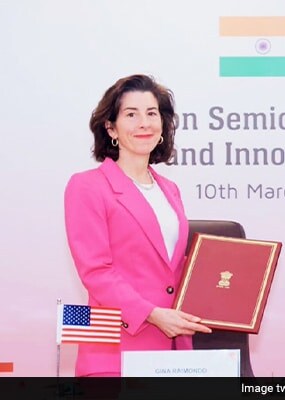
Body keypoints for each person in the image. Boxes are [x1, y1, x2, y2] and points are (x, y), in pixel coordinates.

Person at [64, 74, 212, 377]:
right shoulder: (87, 186)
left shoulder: (170, 190)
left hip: (174, 351)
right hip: (117, 352)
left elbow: (173, 268)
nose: (144, 123)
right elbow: (96, 272)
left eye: (151, 113)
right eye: (131, 114)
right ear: (111, 127)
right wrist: (152, 314)